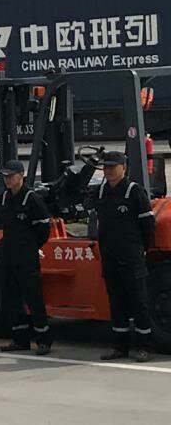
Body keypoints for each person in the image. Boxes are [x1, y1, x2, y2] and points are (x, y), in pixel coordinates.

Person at [94, 151, 155, 363]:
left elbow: (148, 226)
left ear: (124, 168)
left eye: (113, 166)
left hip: (131, 257)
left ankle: (144, 347)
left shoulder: (134, 192)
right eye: (106, 167)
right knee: (116, 302)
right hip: (110, 257)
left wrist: (140, 250)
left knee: (139, 302)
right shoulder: (102, 191)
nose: (108, 170)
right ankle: (119, 346)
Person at [0, 160, 53, 355]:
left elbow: (43, 229)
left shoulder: (32, 199)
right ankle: (20, 339)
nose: (7, 180)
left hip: (27, 258)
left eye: (11, 176)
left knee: (34, 299)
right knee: (13, 298)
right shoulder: (5, 197)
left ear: (21, 176)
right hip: (9, 256)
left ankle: (44, 340)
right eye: (5, 176)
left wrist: (31, 247)